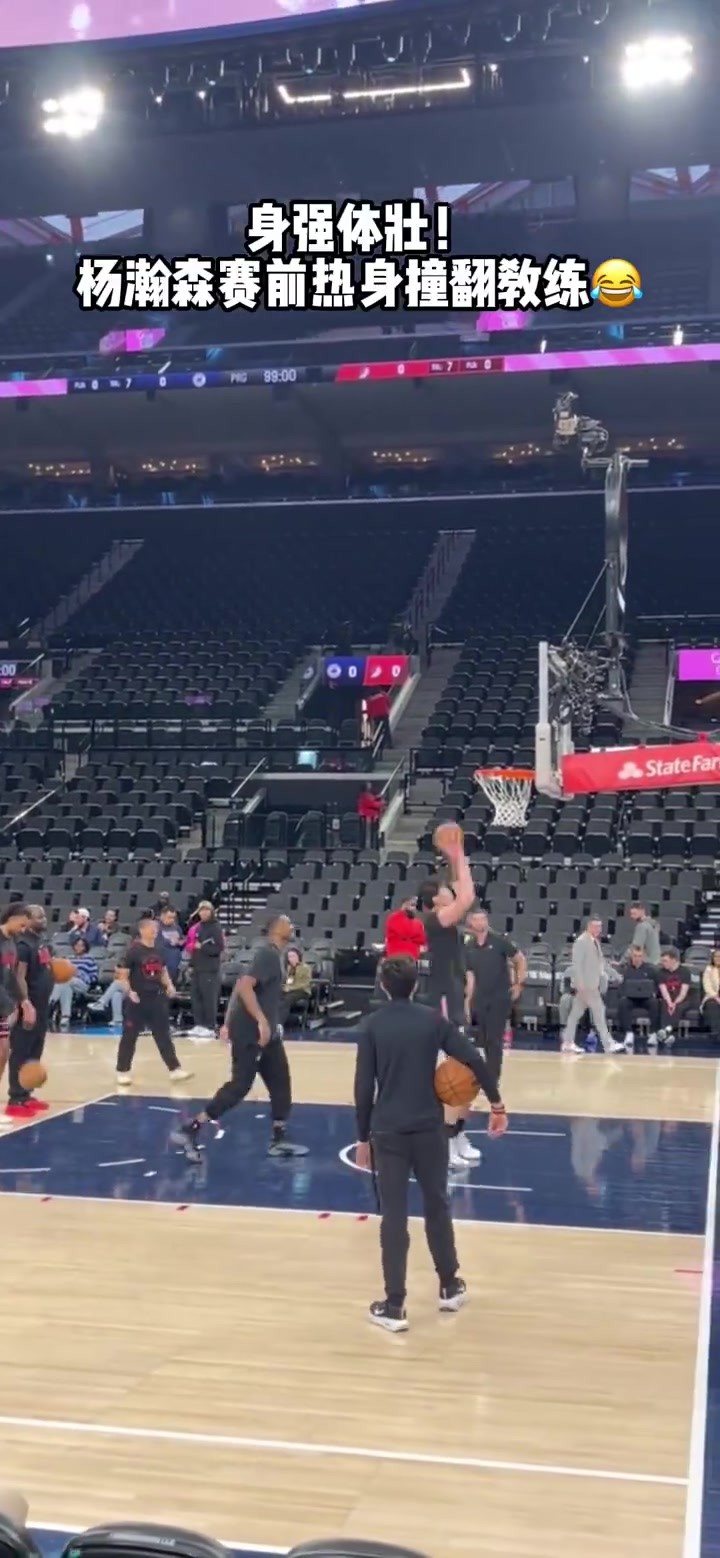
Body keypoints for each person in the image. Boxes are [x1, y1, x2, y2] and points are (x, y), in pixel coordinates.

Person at [354, 954, 509, 1332]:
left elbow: (363, 1088)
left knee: (394, 1217)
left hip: (388, 1131)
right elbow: (475, 1059)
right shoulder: (432, 1021)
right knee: (437, 1204)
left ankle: (394, 1307)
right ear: (415, 985)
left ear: (383, 986)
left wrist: (361, 1138)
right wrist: (497, 1104)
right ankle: (449, 1286)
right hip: (428, 1128)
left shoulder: (372, 1026)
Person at [172, 913, 307, 1162]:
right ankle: (191, 1128)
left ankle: (279, 1138)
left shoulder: (275, 955)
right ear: (276, 929)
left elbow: (239, 986)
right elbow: (245, 987)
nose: (292, 926)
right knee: (240, 1085)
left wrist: (228, 1021)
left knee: (281, 1081)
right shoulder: (267, 954)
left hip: (267, 1034)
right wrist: (260, 1021)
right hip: (251, 1032)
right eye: (288, 922)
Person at [419, 832, 477, 1168]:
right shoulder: (436, 919)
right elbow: (466, 895)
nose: (449, 890)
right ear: (436, 899)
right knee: (452, 1077)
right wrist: (460, 852)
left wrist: (457, 858)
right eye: (444, 890)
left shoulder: (445, 917)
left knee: (469, 1075)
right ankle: (446, 1142)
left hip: (453, 1000)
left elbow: (461, 887)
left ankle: (456, 1136)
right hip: (441, 1005)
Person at [115, 915, 191, 1086]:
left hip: (157, 998)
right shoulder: (133, 951)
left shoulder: (159, 949)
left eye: (156, 929)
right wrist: (129, 992)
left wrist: (169, 986)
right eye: (152, 928)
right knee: (130, 1036)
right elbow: (123, 975)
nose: (155, 931)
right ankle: (123, 1071)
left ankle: (175, 1069)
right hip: (137, 999)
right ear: (143, 930)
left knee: (163, 1035)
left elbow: (163, 971)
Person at [464, 909, 526, 1089]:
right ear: (471, 923)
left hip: (499, 997)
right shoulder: (469, 946)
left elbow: (520, 959)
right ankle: (487, 1075)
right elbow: (470, 975)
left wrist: (519, 983)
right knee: (483, 1039)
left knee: (494, 1039)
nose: (480, 922)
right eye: (476, 919)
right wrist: (468, 1000)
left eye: (483, 919)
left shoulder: (499, 941)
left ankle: (492, 1079)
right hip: (480, 997)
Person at [10, 905, 54, 1117]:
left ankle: (27, 1094)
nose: (43, 919)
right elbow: (19, 976)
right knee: (21, 1051)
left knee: (35, 1051)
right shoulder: (23, 944)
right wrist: (25, 1003)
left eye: (44, 916)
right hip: (30, 1006)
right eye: (38, 917)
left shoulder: (41, 942)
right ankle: (15, 1098)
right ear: (26, 919)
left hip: (43, 1006)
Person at [561, 917, 624, 1055]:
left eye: (600, 927)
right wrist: (580, 984)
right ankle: (608, 1044)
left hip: (591, 985)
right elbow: (577, 965)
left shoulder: (595, 942)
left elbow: (601, 963)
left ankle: (568, 1042)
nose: (599, 930)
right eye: (596, 926)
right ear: (589, 926)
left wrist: (615, 975)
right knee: (599, 1014)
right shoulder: (581, 942)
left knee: (575, 1014)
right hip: (586, 986)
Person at [0, 905, 30, 1121]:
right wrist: (10, 1006)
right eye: (22, 925)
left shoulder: (11, 943)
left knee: (3, 1052)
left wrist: (23, 1002)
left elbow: (10, 977)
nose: (23, 930)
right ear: (12, 918)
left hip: (2, 1005)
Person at [188, 901, 224, 1039]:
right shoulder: (198, 927)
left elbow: (218, 948)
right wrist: (191, 965)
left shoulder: (216, 927)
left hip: (210, 969)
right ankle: (199, 1024)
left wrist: (202, 947)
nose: (203, 913)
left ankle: (210, 1026)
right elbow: (193, 949)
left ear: (211, 912)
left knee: (209, 998)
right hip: (197, 967)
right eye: (201, 910)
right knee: (196, 997)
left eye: (206, 910)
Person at [616, 945, 661, 1049]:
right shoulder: (626, 970)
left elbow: (656, 985)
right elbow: (621, 987)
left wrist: (654, 992)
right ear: (631, 956)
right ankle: (629, 1033)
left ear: (643, 957)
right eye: (635, 956)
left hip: (646, 998)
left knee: (654, 1003)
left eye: (639, 956)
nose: (637, 958)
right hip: (631, 998)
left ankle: (653, 1034)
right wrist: (624, 994)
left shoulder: (650, 970)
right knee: (623, 1003)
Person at [50, 938, 98, 1031]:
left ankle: (52, 1000)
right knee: (65, 984)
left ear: (85, 947)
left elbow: (94, 976)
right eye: (77, 945)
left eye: (81, 945)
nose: (78, 947)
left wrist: (80, 975)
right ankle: (65, 1017)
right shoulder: (69, 959)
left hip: (83, 984)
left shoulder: (89, 959)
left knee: (66, 981)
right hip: (69, 982)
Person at [657, 948, 692, 1047]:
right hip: (668, 997)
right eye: (662, 961)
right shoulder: (661, 972)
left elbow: (683, 992)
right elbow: (663, 990)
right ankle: (666, 1035)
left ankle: (665, 1031)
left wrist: (674, 1003)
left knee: (678, 1007)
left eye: (665, 961)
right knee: (664, 1005)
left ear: (674, 960)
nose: (663, 963)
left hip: (682, 999)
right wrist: (669, 1003)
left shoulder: (685, 972)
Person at [384, 897, 426, 962]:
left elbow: (421, 940)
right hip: (396, 956)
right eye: (412, 905)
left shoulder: (418, 923)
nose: (414, 908)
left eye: (415, 906)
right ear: (404, 905)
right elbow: (404, 933)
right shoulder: (394, 918)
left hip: (412, 958)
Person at [283, 947, 312, 1025]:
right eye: (289, 957)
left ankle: (281, 1022)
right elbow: (289, 982)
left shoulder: (306, 968)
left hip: (302, 991)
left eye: (293, 956)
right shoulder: (290, 968)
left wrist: (291, 988)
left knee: (287, 999)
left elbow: (306, 983)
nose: (291, 958)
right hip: (291, 990)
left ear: (298, 956)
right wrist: (286, 987)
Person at [702, 949, 720, 1039]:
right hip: (712, 996)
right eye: (715, 956)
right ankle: (716, 1032)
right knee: (712, 1004)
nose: (717, 958)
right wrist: (716, 997)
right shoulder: (709, 969)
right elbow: (707, 985)